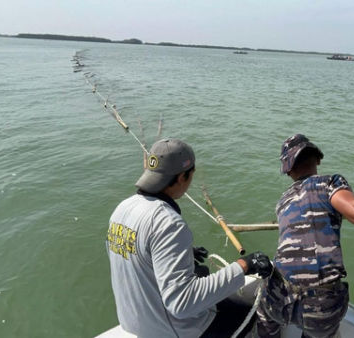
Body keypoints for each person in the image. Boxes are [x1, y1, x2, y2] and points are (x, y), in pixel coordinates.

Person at [106, 138, 273, 338]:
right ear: (181, 177)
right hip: (171, 330)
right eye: (191, 174)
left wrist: (181, 254)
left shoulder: (122, 209)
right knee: (253, 312)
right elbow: (182, 303)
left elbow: (136, 253)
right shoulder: (168, 222)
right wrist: (244, 265)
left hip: (136, 323)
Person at [256, 134, 354, 338]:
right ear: (318, 159)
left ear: (288, 170)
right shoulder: (329, 182)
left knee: (265, 317)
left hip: (278, 298)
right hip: (321, 308)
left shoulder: (282, 201)